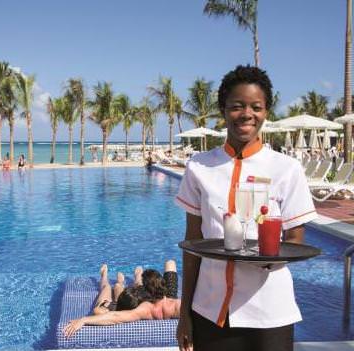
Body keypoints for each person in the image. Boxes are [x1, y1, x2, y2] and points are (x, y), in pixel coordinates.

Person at [175, 65, 317, 351]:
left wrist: (265, 259)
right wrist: (184, 312)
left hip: (268, 312)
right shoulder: (199, 166)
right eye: (237, 106)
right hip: (210, 309)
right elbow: (192, 246)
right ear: (223, 109)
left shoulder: (286, 169)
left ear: (266, 111)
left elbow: (295, 239)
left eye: (256, 106)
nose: (247, 114)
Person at [63, 260, 180, 338]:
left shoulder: (145, 309)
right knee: (170, 263)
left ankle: (128, 278)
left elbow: (115, 317)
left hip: (143, 297)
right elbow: (115, 317)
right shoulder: (151, 307)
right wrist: (84, 320)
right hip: (149, 297)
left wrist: (83, 320)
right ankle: (130, 276)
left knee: (104, 301)